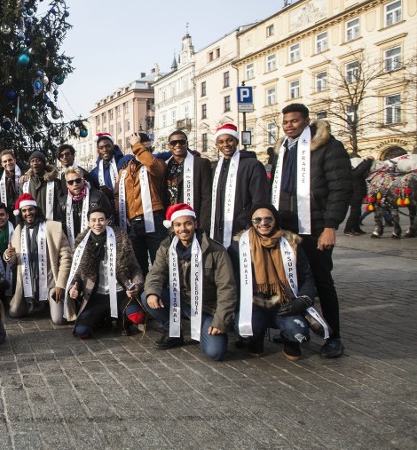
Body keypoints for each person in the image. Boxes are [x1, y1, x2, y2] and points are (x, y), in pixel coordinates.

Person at [270, 103, 352, 359]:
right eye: (285, 122)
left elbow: (340, 189)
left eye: (294, 121)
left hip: (315, 228)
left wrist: (330, 227)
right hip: (286, 229)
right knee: (289, 283)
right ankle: (294, 331)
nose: (289, 126)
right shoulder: (281, 151)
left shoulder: (328, 147)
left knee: (322, 282)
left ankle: (333, 336)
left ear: (306, 121)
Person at [142, 204, 237, 361]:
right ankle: (173, 331)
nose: (183, 229)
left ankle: (204, 330)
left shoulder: (215, 250)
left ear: (195, 224)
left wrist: (221, 321)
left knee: (216, 352)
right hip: (178, 300)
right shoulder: (167, 247)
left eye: (187, 223)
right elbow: (156, 273)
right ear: (173, 227)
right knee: (147, 295)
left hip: (206, 308)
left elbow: (227, 288)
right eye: (178, 225)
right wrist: (153, 292)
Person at [231, 203, 320, 360]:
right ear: (251, 222)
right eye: (257, 219)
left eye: (268, 219)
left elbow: (306, 276)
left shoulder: (292, 244)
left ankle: (289, 340)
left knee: (298, 331)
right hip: (255, 303)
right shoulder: (239, 246)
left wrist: (303, 299)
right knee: (245, 326)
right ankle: (255, 337)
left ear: (275, 220)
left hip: (286, 303)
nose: (263, 223)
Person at [65, 207, 143, 338]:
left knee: (136, 316)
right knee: (81, 332)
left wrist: (137, 285)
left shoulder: (121, 240)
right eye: (93, 220)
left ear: (107, 221)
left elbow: (135, 268)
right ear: (89, 223)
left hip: (120, 293)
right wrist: (74, 287)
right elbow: (76, 273)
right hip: (96, 296)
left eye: (101, 220)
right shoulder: (82, 244)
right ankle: (103, 319)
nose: (97, 224)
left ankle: (122, 320)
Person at [4, 194, 72, 324]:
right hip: (27, 283)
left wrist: (61, 284)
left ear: (36, 209)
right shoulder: (18, 230)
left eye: (31, 209)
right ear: (20, 213)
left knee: (58, 320)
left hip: (52, 283)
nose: (28, 213)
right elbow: (14, 262)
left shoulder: (52, 227)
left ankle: (51, 304)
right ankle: (33, 303)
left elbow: (66, 257)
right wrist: (8, 256)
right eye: (24, 210)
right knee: (14, 313)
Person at [209, 123, 270, 249]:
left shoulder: (253, 165)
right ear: (217, 145)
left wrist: (252, 226)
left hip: (243, 229)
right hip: (219, 231)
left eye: (229, 140)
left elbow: (260, 199)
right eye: (221, 142)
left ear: (236, 141)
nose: (225, 145)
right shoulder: (216, 168)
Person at [118, 132, 168, 277]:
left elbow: (153, 166)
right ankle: (141, 297)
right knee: (138, 265)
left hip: (154, 217)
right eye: (138, 147)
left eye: (145, 148)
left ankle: (161, 295)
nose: (142, 150)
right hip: (133, 222)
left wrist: (138, 146)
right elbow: (118, 195)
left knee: (159, 262)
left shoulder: (157, 163)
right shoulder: (125, 170)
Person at [162, 130, 213, 231]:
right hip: (171, 219)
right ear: (169, 146)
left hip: (192, 220)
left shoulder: (201, 164)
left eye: (181, 142)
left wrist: (203, 225)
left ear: (187, 144)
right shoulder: (164, 166)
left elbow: (207, 197)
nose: (178, 145)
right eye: (173, 143)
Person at [60, 167, 113, 247]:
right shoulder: (62, 202)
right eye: (71, 182)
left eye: (78, 180)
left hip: (96, 244)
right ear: (67, 185)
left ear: (83, 180)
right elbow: (62, 227)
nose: (75, 184)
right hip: (72, 246)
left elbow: (110, 220)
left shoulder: (98, 197)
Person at [90, 133, 133, 208]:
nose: (105, 150)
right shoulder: (94, 173)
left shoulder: (125, 160)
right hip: (108, 209)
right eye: (101, 148)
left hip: (128, 206)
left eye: (108, 146)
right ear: (98, 150)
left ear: (113, 146)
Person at [21, 151, 63, 221]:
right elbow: (21, 205)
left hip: (51, 223)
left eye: (38, 160)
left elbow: (60, 204)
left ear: (44, 164)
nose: (35, 163)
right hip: (32, 224)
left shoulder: (55, 182)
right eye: (32, 161)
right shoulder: (25, 183)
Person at [344, 156, 374, 235]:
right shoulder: (352, 174)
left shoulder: (353, 172)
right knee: (354, 213)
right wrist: (369, 161)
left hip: (358, 195)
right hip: (355, 195)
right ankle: (348, 229)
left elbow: (360, 168)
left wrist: (364, 161)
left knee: (358, 213)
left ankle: (356, 228)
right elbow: (361, 170)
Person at [0, 149, 23, 216]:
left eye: (10, 160)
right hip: (8, 212)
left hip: (23, 210)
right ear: (2, 164)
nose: (8, 163)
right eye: (5, 161)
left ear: (14, 160)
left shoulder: (23, 174)